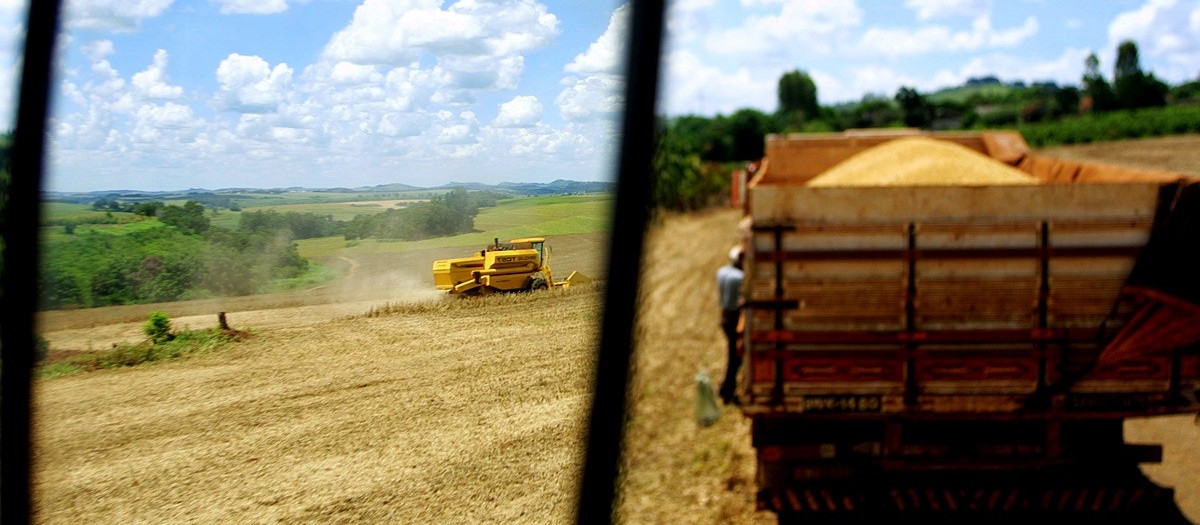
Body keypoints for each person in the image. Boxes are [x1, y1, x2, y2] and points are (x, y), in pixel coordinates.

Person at [716, 245, 745, 405]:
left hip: (724, 315)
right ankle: (727, 388)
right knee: (735, 355)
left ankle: (727, 387)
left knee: (732, 353)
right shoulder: (740, 277)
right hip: (735, 317)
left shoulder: (721, 272)